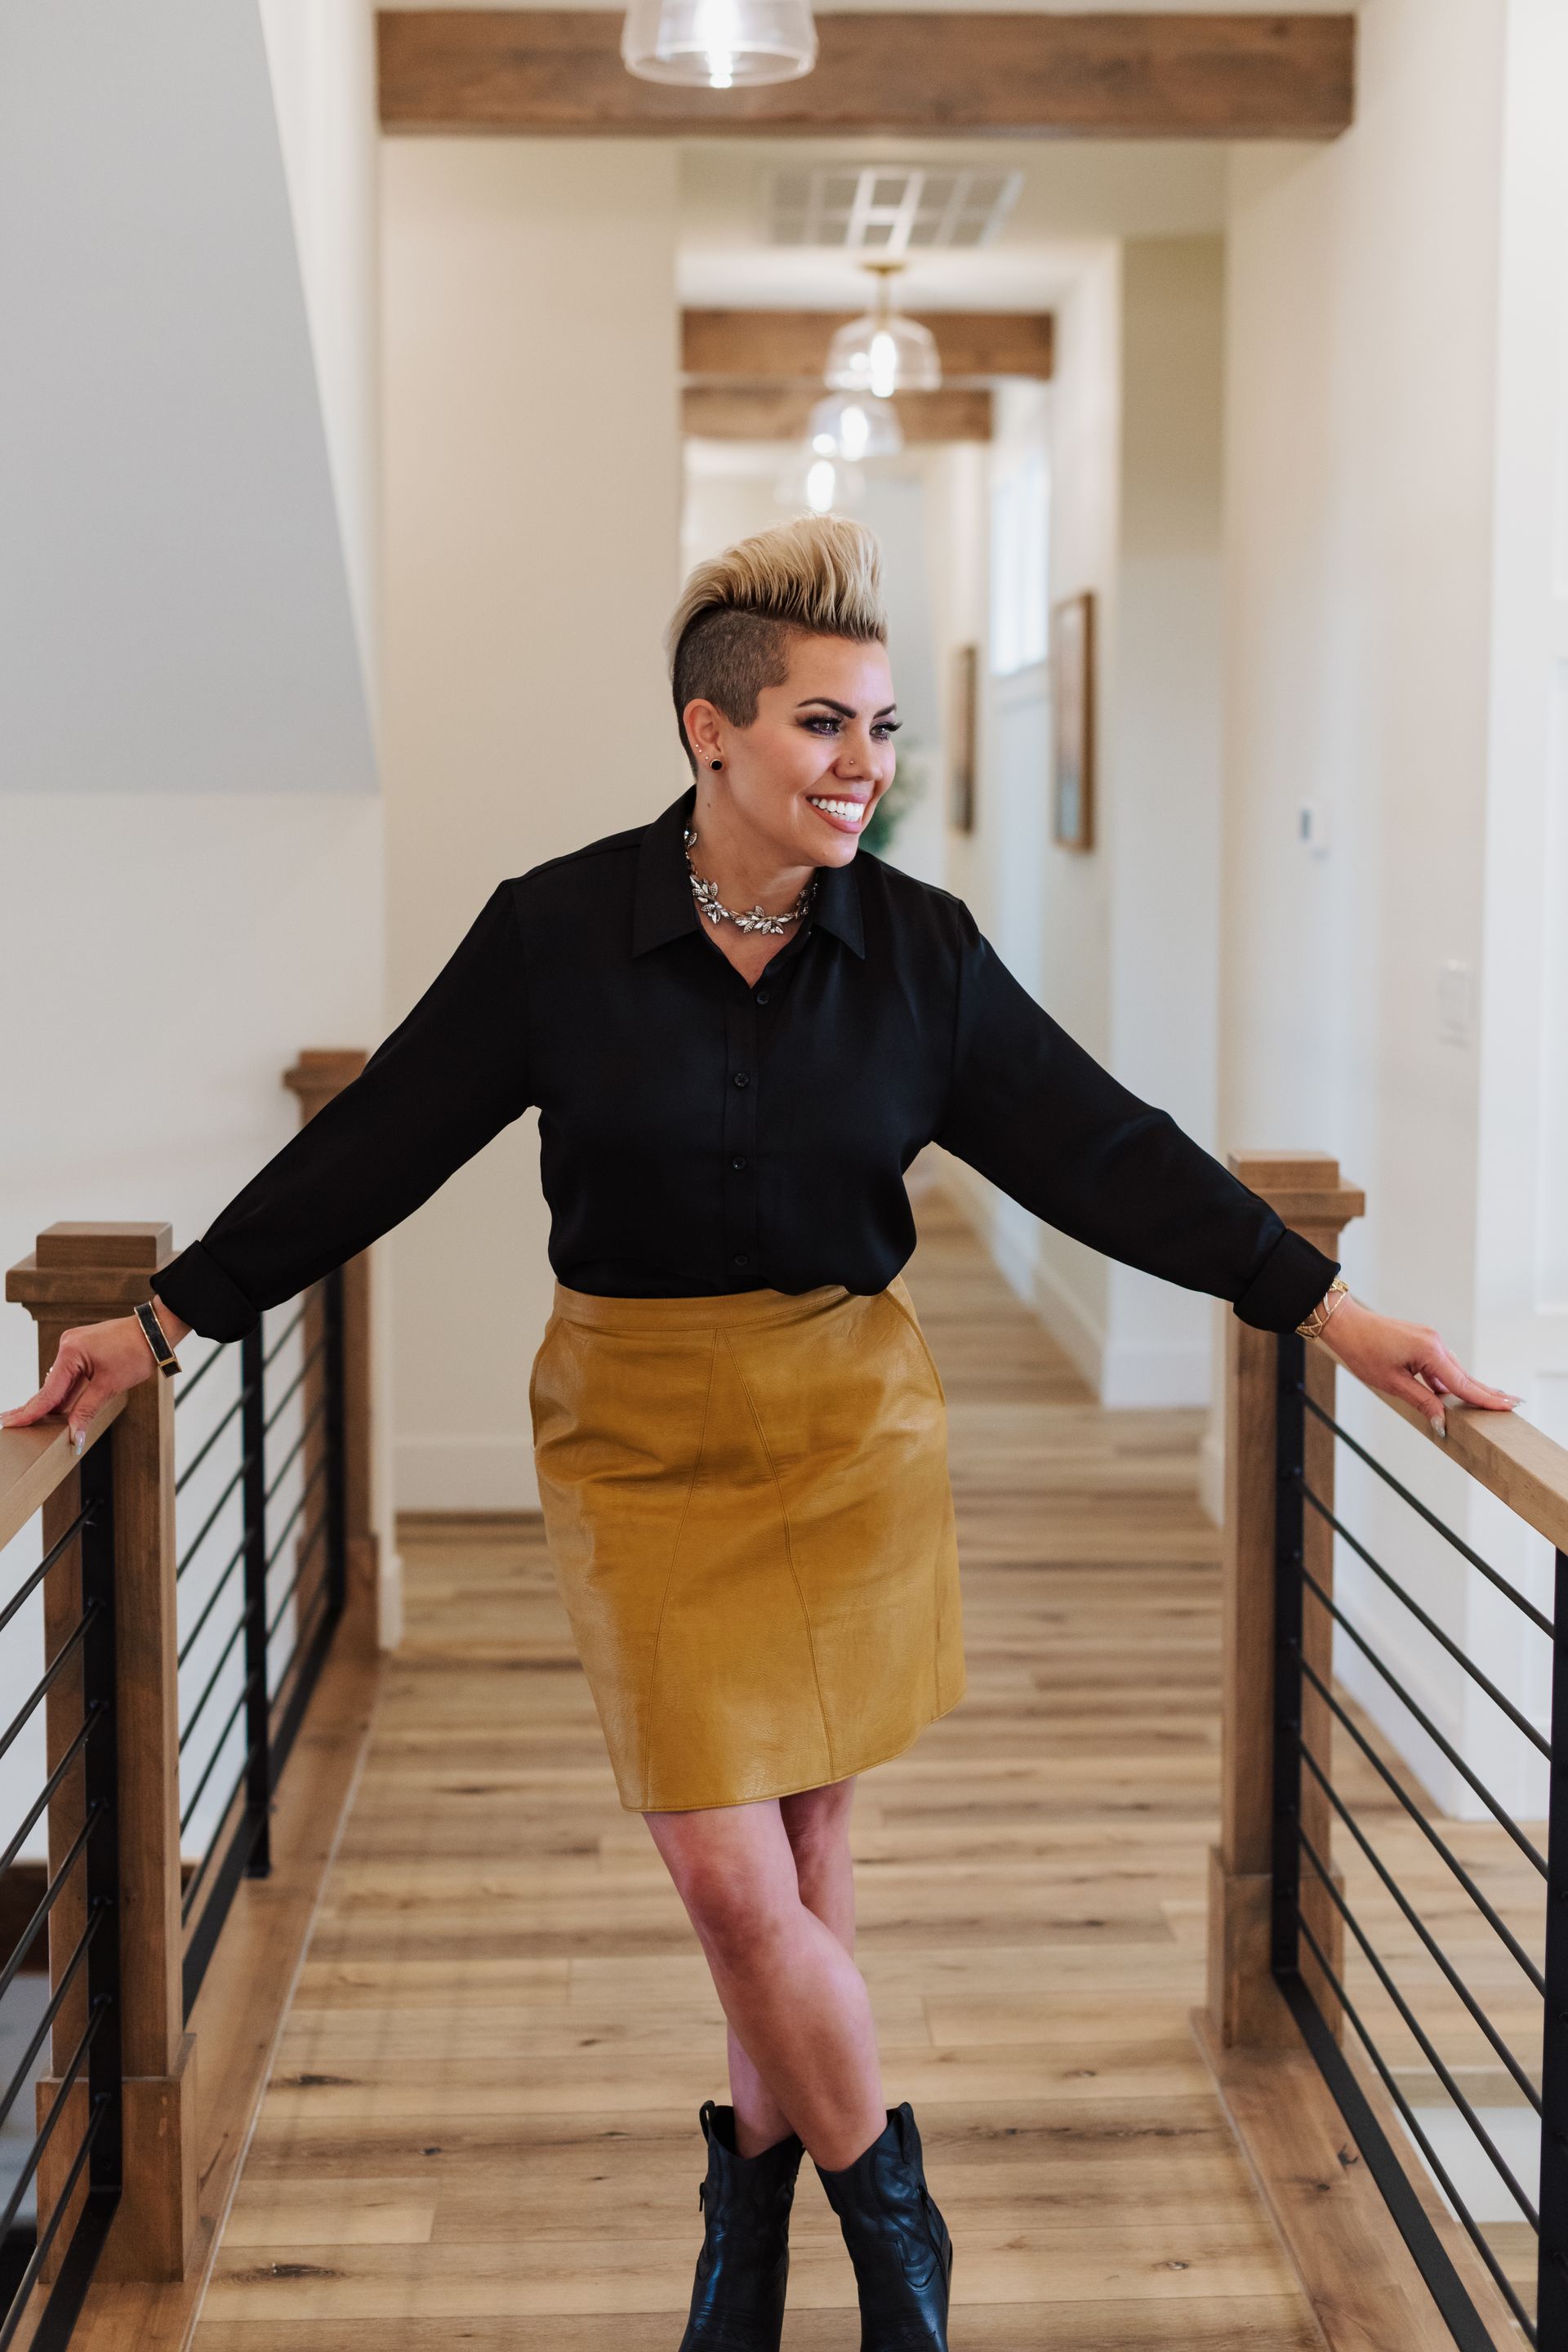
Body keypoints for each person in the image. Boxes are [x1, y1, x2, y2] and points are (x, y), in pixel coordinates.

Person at [2, 517, 1518, 2352]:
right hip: (635, 1449)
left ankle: (743, 2229)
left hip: (847, 1437)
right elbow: (378, 1143)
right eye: (822, 725)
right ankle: (898, 2227)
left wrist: (1334, 1314)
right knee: (732, 1878)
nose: (863, 766)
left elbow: (1106, 1150)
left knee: (795, 1877)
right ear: (707, 735)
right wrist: (165, 1322)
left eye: (881, 729)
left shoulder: (923, 957)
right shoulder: (556, 932)